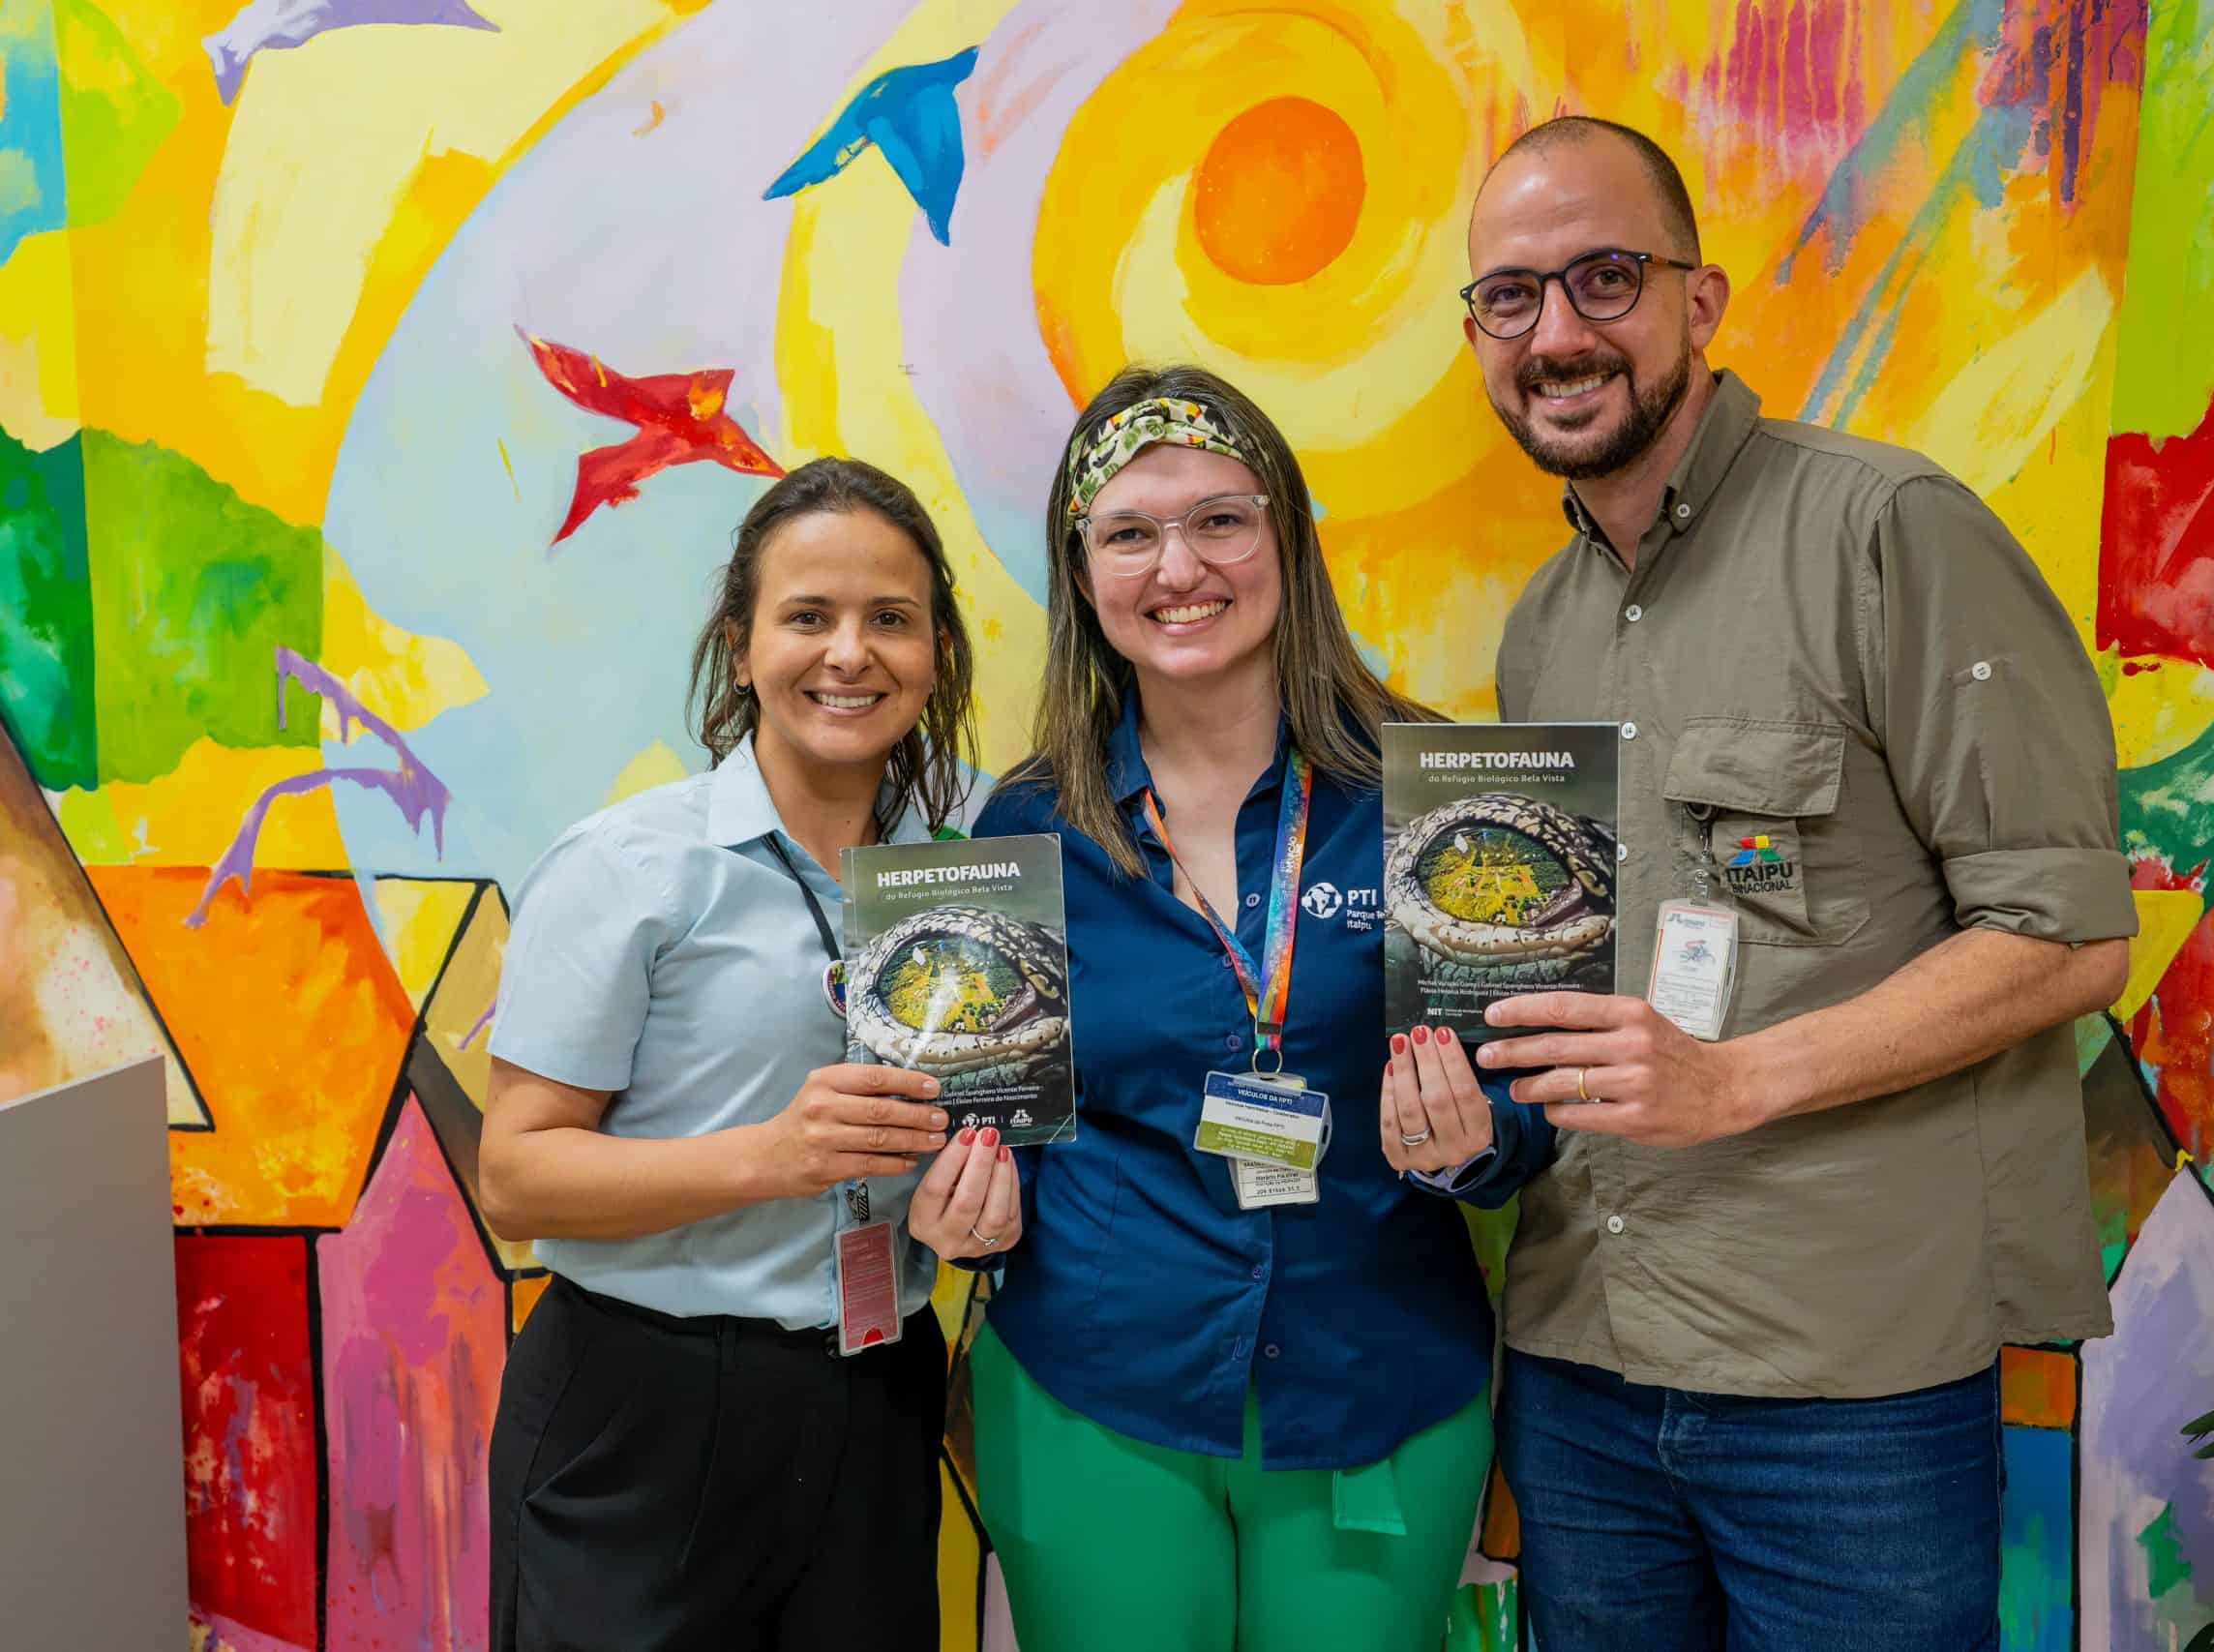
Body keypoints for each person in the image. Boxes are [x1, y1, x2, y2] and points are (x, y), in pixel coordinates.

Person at [1455, 116, 2137, 1650]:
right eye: (1511, 296)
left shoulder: (1890, 530)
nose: (1557, 333)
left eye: (1604, 278)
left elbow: (2068, 929)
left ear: (1700, 301)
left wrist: (1738, 1077)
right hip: (1580, 1367)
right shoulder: (1538, 629)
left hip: (1848, 1391)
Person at [964, 365, 1558, 1652]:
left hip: (1375, 1378)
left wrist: (1482, 1140)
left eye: (1219, 519)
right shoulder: (1026, 828)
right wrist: (960, 1201)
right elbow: (985, 1124)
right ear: (1082, 571)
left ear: (1285, 537)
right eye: (1130, 531)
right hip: (1096, 1385)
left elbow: (1528, 1082)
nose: (1178, 566)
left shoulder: (1437, 794)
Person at [477, 457, 1023, 1652]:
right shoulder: (630, 866)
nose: (850, 653)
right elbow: (515, 1178)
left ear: (937, 654)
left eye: (891, 619)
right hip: (641, 1405)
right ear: (739, 646)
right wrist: (773, 1157)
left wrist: (979, 1201)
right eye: (807, 617)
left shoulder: (980, 863)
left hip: (877, 1389)